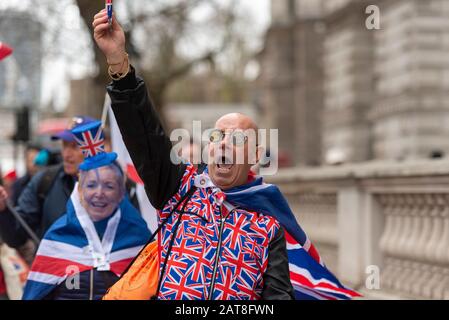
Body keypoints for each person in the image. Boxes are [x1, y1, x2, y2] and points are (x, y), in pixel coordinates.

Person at [94, 10, 294, 300]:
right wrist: (117, 60)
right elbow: (145, 134)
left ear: (255, 155)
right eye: (216, 136)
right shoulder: (180, 187)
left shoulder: (269, 224)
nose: (223, 143)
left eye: (237, 138)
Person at [22, 121, 150, 300]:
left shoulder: (140, 237)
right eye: (91, 185)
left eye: (109, 185)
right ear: (79, 191)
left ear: (121, 192)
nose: (99, 194)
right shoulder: (56, 237)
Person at [0, 116, 93, 248]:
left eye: (74, 146)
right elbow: (16, 236)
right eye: (64, 145)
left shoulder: (114, 185)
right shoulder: (45, 180)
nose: (66, 154)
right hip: (52, 266)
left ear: (93, 147)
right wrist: (3, 210)